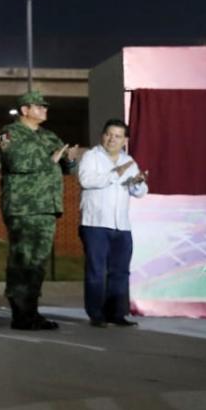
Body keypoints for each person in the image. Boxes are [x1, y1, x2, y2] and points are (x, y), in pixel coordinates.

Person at [0, 90, 83, 330]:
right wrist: (51, 159)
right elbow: (16, 161)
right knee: (22, 259)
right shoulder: (10, 133)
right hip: (23, 207)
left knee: (38, 262)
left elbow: (65, 167)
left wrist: (71, 160)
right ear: (25, 110)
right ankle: (20, 313)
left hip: (47, 206)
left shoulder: (49, 135)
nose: (45, 109)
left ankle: (32, 311)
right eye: (39, 106)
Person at [77, 119, 147, 327]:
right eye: (109, 134)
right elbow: (87, 181)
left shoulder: (129, 161)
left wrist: (137, 183)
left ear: (125, 140)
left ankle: (116, 313)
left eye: (117, 136)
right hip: (95, 223)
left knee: (120, 271)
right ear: (102, 135)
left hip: (122, 225)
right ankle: (96, 313)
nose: (112, 139)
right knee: (96, 270)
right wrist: (115, 173)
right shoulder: (92, 156)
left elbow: (140, 192)